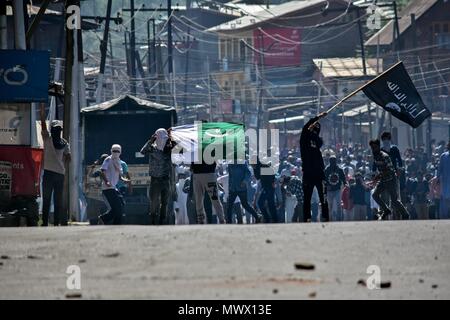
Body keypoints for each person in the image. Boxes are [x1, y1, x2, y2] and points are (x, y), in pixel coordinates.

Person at [40, 103, 71, 226]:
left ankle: (44, 223)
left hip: (48, 174)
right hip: (60, 175)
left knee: (47, 199)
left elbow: (43, 125)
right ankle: (57, 222)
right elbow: (69, 159)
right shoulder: (65, 143)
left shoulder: (47, 139)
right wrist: (63, 162)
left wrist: (42, 112)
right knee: (58, 200)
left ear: (52, 130)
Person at [140, 128, 176, 225]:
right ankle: (152, 218)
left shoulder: (169, 149)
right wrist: (150, 141)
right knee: (154, 201)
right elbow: (142, 151)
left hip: (165, 179)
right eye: (160, 138)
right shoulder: (152, 148)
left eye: (164, 138)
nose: (162, 140)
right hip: (155, 180)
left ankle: (162, 220)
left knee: (164, 202)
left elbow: (178, 150)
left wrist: (171, 138)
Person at [300, 112, 329, 222]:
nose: (314, 129)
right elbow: (305, 129)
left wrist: (313, 126)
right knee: (307, 198)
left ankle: (325, 217)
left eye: (316, 128)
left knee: (324, 198)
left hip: (319, 173)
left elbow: (316, 137)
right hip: (308, 173)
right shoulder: (304, 139)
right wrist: (317, 118)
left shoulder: (318, 141)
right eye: (313, 127)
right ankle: (307, 218)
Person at [370, 139, 409, 220]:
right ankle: (386, 210)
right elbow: (380, 171)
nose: (373, 149)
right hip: (383, 180)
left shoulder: (385, 156)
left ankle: (405, 214)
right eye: (372, 147)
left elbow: (390, 170)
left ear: (378, 147)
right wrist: (376, 177)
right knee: (375, 195)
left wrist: (378, 177)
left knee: (394, 201)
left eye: (375, 147)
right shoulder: (375, 157)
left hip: (391, 179)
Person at [98, 144, 124, 225]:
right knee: (118, 207)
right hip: (107, 188)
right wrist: (106, 181)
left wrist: (123, 179)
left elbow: (118, 173)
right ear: (111, 151)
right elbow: (102, 171)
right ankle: (104, 219)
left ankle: (108, 220)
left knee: (120, 205)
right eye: (114, 151)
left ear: (120, 152)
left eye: (117, 151)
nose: (116, 153)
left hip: (113, 187)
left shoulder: (118, 161)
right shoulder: (108, 159)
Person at [324, 155, 346, 221]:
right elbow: (324, 180)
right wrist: (326, 186)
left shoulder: (339, 169)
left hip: (337, 190)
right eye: (331, 160)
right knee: (329, 206)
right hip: (329, 191)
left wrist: (345, 183)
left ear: (336, 161)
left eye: (334, 160)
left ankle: (339, 219)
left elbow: (343, 178)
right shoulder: (327, 169)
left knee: (339, 205)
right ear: (329, 161)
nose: (332, 162)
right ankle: (329, 219)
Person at [437, 140, 450, 219]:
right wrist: (437, 178)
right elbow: (440, 168)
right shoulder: (444, 156)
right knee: (445, 200)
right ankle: (444, 218)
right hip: (445, 183)